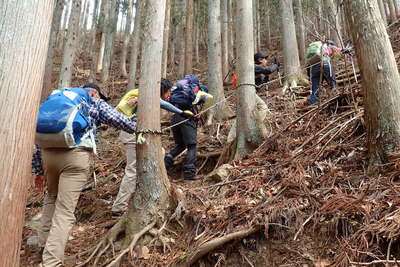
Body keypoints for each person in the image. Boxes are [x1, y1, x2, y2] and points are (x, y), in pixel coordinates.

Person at [32, 83, 137, 267]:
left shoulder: (57, 102)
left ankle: (42, 248)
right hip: (75, 157)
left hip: (47, 155)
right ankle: (51, 262)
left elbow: (39, 136)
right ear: (94, 93)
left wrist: (38, 170)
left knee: (51, 199)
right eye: (99, 96)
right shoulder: (94, 103)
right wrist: (142, 126)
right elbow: (121, 121)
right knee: (64, 211)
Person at [111, 79, 185, 217]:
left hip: (136, 134)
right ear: (162, 90)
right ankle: (119, 208)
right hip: (132, 134)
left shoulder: (144, 96)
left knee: (160, 152)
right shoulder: (146, 95)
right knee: (132, 170)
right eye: (168, 91)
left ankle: (144, 190)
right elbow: (163, 104)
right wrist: (181, 112)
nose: (169, 94)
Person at [164, 75, 213, 181]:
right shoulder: (194, 95)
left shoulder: (180, 95)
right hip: (186, 120)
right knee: (192, 146)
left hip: (175, 118)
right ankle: (189, 174)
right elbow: (191, 108)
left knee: (181, 145)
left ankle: (165, 162)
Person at [306, 40, 352, 105]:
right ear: (330, 44)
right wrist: (344, 50)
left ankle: (313, 104)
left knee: (315, 88)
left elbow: (308, 66)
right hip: (325, 63)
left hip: (313, 67)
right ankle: (336, 100)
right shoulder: (326, 46)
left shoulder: (315, 50)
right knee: (332, 83)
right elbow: (335, 49)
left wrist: (309, 75)